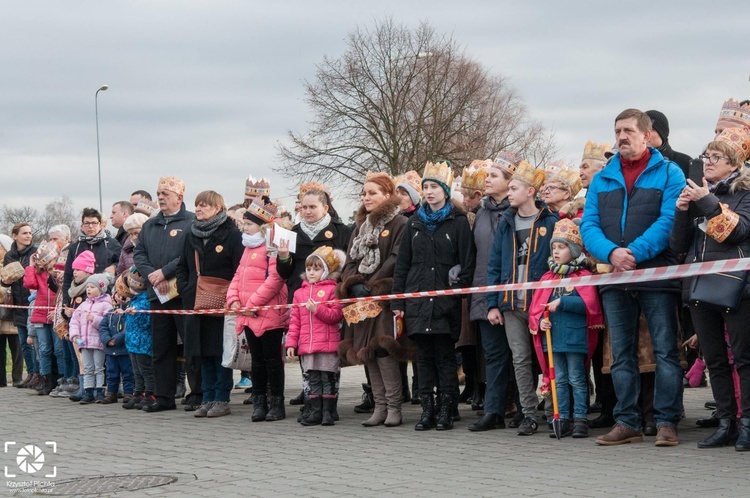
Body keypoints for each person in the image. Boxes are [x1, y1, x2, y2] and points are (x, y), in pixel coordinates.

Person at [581, 108, 685, 447]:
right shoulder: (603, 178)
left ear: (646, 134)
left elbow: (669, 221)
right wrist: (612, 254)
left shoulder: (670, 173)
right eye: (617, 131)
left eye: (628, 130)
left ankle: (667, 421)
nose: (622, 136)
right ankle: (627, 422)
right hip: (615, 277)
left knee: (665, 351)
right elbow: (589, 225)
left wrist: (634, 253)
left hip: (656, 276)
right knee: (621, 353)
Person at [670, 127, 750, 450]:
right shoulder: (697, 194)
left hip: (737, 288)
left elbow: (737, 231)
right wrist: (681, 210)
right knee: (715, 358)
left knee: (744, 359)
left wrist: (709, 202)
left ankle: (747, 423)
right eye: (707, 156)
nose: (708, 162)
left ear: (734, 163)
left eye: (716, 157)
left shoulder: (744, 193)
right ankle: (726, 422)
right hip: (700, 287)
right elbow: (677, 246)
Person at [392, 160, 476, 431]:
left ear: (445, 190)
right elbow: (403, 264)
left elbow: (468, 260)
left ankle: (446, 408)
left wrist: (457, 288)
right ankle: (427, 409)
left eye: (434, 187)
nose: (429, 192)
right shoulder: (414, 223)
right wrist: (398, 300)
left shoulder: (458, 222)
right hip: (417, 300)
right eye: (425, 187)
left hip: (444, 303)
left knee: (445, 357)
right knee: (423, 357)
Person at [486, 159, 558, 436]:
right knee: (520, 359)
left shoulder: (549, 221)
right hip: (511, 304)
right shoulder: (506, 222)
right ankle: (528, 414)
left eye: (515, 188)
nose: (510, 192)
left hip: (541, 304)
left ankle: (554, 410)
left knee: (549, 357)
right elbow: (493, 265)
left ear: (530, 191)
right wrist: (493, 303)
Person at [337, 172, 409, 427]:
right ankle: (379, 406)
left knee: (383, 349)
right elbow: (350, 260)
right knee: (367, 352)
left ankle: (394, 407)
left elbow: (397, 258)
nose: (366, 197)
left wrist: (373, 284)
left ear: (387, 195)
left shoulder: (400, 222)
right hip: (362, 299)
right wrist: (352, 284)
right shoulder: (361, 226)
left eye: (372, 193)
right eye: (364, 193)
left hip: (384, 297)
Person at [528, 218, 604, 438]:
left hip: (575, 338)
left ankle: (580, 418)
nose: (557, 251)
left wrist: (563, 302)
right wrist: (541, 322)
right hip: (553, 339)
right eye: (554, 247)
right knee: (558, 380)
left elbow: (589, 307)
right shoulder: (547, 277)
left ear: (573, 249)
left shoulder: (583, 277)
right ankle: (562, 418)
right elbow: (537, 309)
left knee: (577, 379)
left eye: (562, 247)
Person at [276, 185, 350, 408]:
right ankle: (310, 393)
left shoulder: (341, 231)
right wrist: (282, 258)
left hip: (329, 300)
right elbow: (284, 273)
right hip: (301, 298)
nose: (306, 211)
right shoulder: (293, 233)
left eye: (312, 207)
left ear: (325, 207)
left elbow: (348, 267)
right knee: (305, 347)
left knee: (329, 351)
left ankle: (329, 400)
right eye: (303, 207)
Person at [175, 190, 243, 419]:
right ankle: (207, 397)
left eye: (204, 205)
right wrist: (186, 289)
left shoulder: (232, 234)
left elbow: (238, 269)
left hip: (221, 302)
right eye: (197, 205)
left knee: (219, 351)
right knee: (201, 352)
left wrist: (233, 296)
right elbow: (182, 266)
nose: (199, 209)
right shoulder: (190, 235)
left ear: (217, 208)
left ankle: (221, 398)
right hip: (195, 301)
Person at [133, 176, 198, 412]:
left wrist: (165, 272)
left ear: (179, 197)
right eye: (159, 193)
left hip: (181, 293)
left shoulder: (191, 221)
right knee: (161, 347)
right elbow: (139, 254)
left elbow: (189, 254)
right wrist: (152, 274)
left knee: (190, 345)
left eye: (165, 194)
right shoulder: (150, 225)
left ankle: (196, 394)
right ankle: (164, 397)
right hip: (156, 295)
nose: (160, 197)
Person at [227, 197, 289, 421]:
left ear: (261, 226)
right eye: (244, 223)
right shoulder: (247, 247)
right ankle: (259, 401)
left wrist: (251, 303)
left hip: (267, 311)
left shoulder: (272, 245)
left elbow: (276, 278)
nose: (244, 227)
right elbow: (238, 275)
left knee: (273, 360)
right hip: (248, 313)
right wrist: (233, 299)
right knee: (257, 361)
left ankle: (276, 403)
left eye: (249, 224)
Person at [467, 152, 515, 431]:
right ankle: (494, 410)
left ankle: (524, 409)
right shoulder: (481, 213)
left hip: (513, 293)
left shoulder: (517, 210)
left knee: (522, 356)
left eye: (494, 175)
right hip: (484, 291)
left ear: (510, 182)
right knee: (494, 354)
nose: (487, 179)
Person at [285, 247, 345, 426]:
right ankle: (315, 411)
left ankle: (328, 412)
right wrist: (291, 343)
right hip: (307, 345)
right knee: (313, 379)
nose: (311, 272)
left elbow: (336, 316)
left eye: (317, 269)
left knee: (327, 378)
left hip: (327, 344)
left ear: (326, 271)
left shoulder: (333, 290)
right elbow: (294, 321)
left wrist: (317, 310)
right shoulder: (299, 293)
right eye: (309, 268)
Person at [393, 171, 424, 403]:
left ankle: (419, 387)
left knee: (416, 343)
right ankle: (401, 387)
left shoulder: (417, 219)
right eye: (397, 192)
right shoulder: (394, 220)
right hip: (399, 284)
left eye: (404, 193)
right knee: (397, 339)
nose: (399, 197)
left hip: (418, 286)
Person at [23, 241, 63, 395]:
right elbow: (29, 283)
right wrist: (31, 266)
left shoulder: (58, 274)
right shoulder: (39, 273)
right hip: (40, 315)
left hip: (55, 314)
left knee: (58, 350)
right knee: (44, 349)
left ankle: (61, 378)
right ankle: (47, 379)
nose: (50, 264)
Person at [2, 223, 39, 388]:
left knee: (36, 343)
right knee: (24, 342)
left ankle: (39, 374)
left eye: (30, 233)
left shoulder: (35, 253)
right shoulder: (9, 255)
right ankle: (30, 374)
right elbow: (5, 279)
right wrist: (4, 281)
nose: (28, 236)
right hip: (17, 304)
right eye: (24, 233)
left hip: (32, 301)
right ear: (15, 235)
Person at [62, 208, 121, 311]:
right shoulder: (75, 247)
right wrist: (66, 300)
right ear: (82, 226)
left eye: (94, 223)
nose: (90, 226)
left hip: (104, 297)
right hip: (79, 298)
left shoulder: (112, 244)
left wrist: (114, 266)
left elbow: (122, 263)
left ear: (100, 225)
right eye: (87, 223)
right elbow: (67, 275)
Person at [68, 274, 113, 404]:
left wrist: (94, 320)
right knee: (87, 367)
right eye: (87, 287)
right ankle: (88, 391)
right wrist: (75, 335)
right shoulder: (82, 306)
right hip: (84, 342)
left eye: (92, 287)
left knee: (99, 367)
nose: (88, 289)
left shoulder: (106, 305)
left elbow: (108, 323)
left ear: (101, 289)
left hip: (98, 343)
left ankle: (99, 391)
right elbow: (74, 321)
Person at [64, 250, 97, 402]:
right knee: (80, 360)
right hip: (78, 331)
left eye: (78, 269)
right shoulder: (73, 289)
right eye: (74, 269)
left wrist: (77, 312)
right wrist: (68, 314)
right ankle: (84, 386)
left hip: (90, 332)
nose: (74, 272)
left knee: (90, 362)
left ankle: (91, 388)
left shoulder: (92, 287)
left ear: (88, 270)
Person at [122, 267, 154, 410]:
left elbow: (147, 321)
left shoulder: (146, 300)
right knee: (136, 370)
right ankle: (139, 392)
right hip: (132, 341)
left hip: (143, 341)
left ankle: (150, 393)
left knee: (145, 369)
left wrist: (136, 314)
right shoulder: (133, 300)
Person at [98, 283, 135, 404]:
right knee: (111, 372)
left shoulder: (128, 312)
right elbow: (102, 327)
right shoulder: (110, 312)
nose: (119, 297)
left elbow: (128, 328)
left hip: (124, 349)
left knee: (127, 372)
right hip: (110, 350)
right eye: (117, 294)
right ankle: (111, 393)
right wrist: (107, 340)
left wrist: (117, 339)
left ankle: (129, 392)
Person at [0, 234, 24, 387]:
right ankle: (1, 380)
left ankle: (17, 379)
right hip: (1, 316)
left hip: (13, 311)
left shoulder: (12, 262)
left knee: (17, 348)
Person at [645, 110, 692, 179]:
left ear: (662, 134)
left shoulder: (685, 162)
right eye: (642, 130)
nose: (646, 134)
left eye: (651, 129)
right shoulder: (630, 162)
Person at [116, 213, 148, 278]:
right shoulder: (125, 250)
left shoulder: (155, 247)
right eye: (131, 234)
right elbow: (120, 274)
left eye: (137, 233)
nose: (134, 237)